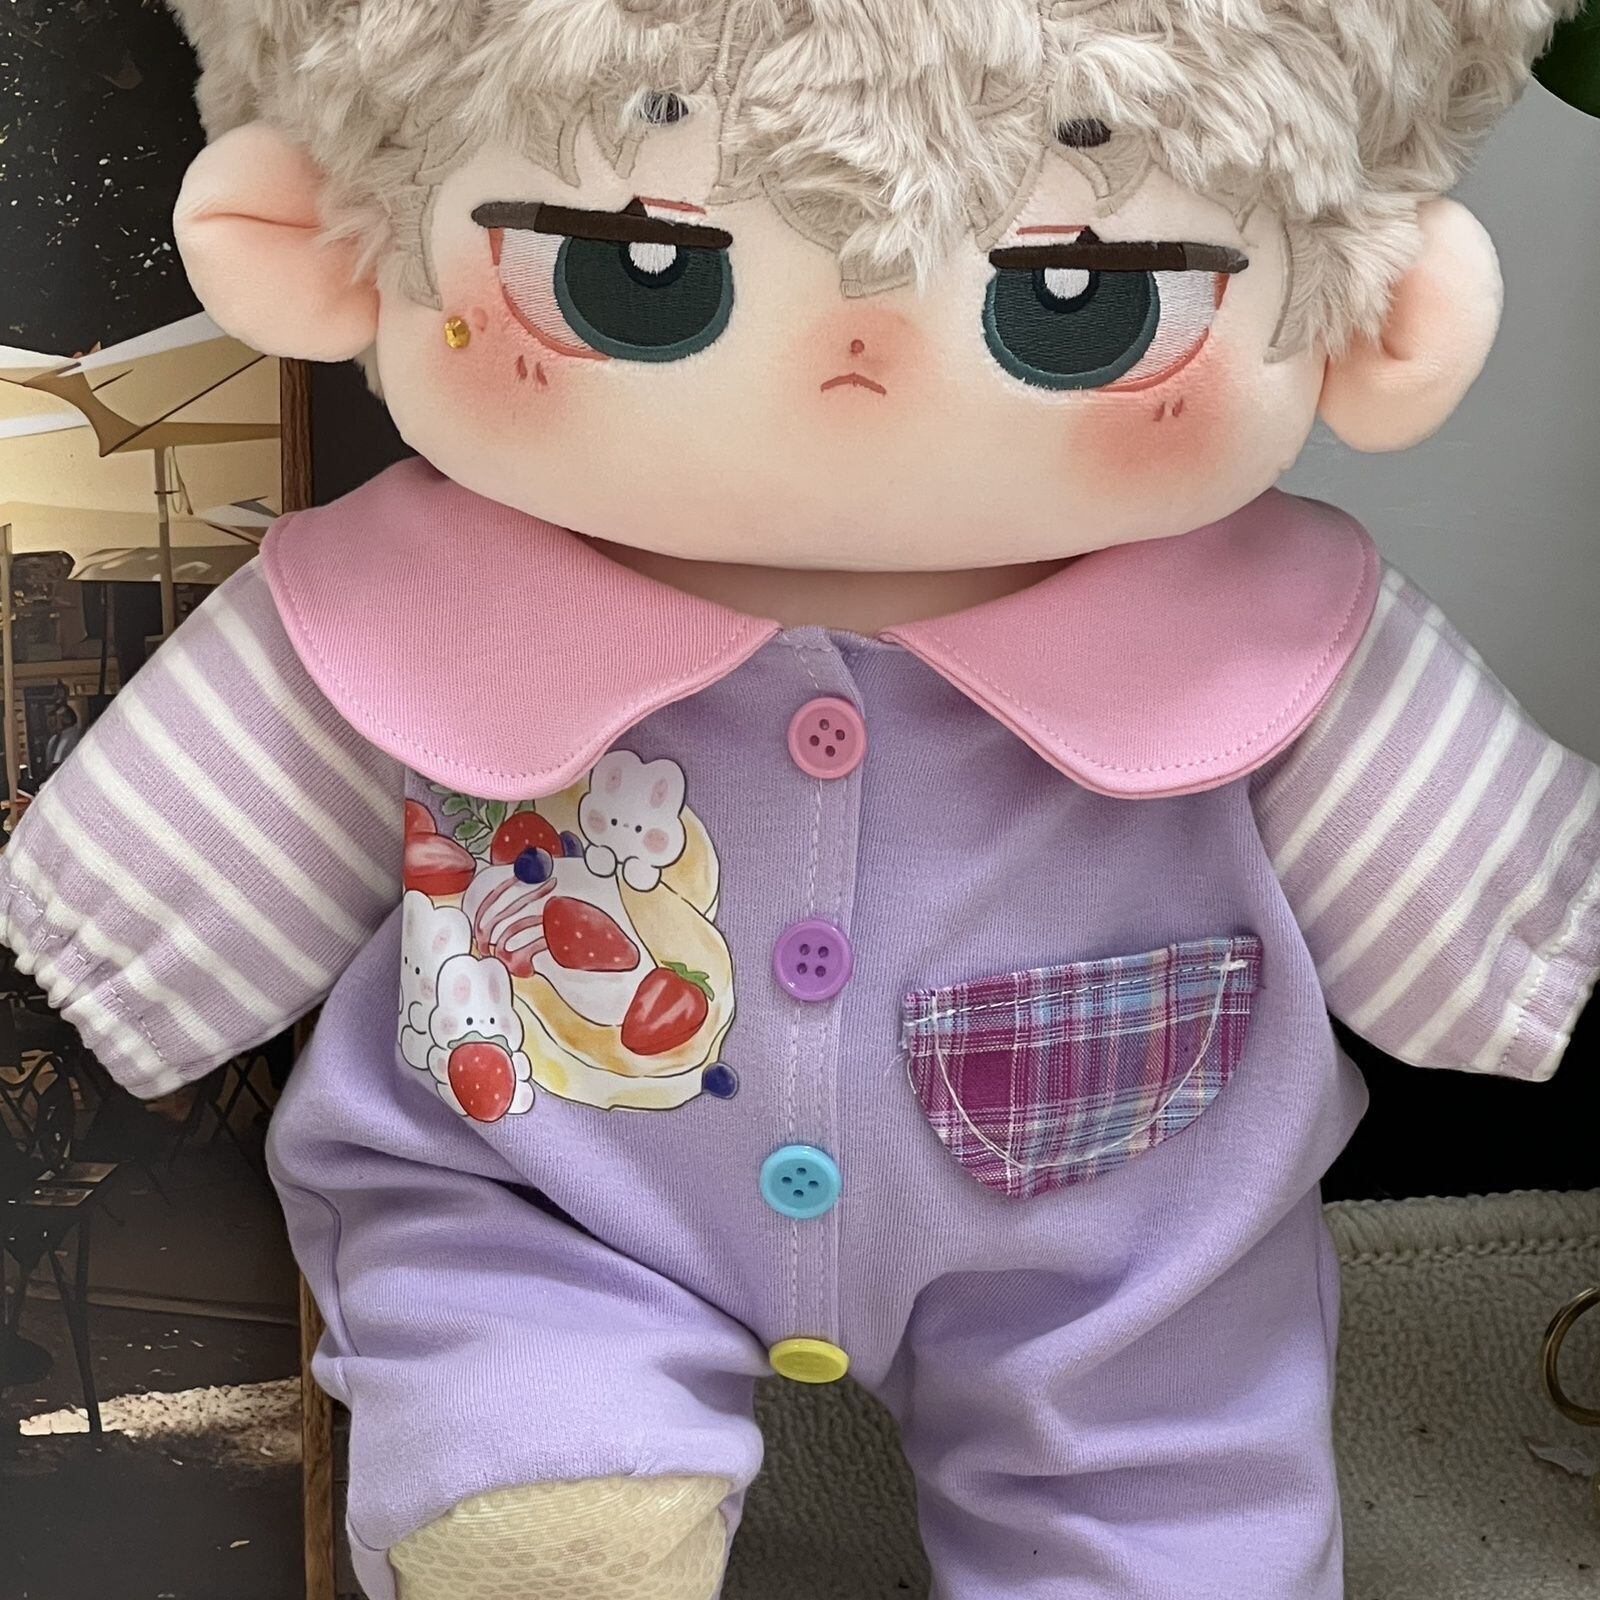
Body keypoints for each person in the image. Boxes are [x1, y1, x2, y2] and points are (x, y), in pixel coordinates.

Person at [0, 5, 1596, 1598]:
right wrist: (106, 945)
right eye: (639, 272)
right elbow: (159, 879)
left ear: (1384, 311)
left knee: (1170, 1500)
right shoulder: (412, 599)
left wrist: (1528, 951)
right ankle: (553, 1456)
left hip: (1122, 1244)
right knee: (543, 1510)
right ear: (322, 240)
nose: (860, 363)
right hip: (552, 1193)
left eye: (1081, 298)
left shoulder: (1267, 631)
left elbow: (1499, 930)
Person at [42, 706, 81, 775]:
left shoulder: (77, 736)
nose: (52, 723)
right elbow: (48, 765)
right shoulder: (53, 740)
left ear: (67, 719)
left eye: (56, 719)